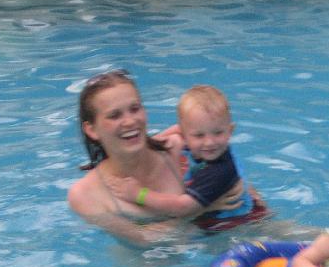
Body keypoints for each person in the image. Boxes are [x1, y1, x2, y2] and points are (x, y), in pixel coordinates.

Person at [67, 70, 239, 245]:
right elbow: (143, 239)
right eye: (115, 115)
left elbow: (238, 188)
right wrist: (203, 208)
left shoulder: (179, 149)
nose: (130, 121)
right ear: (91, 130)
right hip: (147, 266)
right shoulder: (85, 194)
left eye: (135, 109)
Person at [102, 84, 269, 232]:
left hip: (234, 224)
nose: (209, 142)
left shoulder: (220, 169)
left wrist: (138, 194)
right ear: (184, 133)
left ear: (230, 131)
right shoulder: (188, 137)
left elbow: (182, 207)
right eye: (199, 135)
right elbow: (167, 135)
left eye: (218, 133)